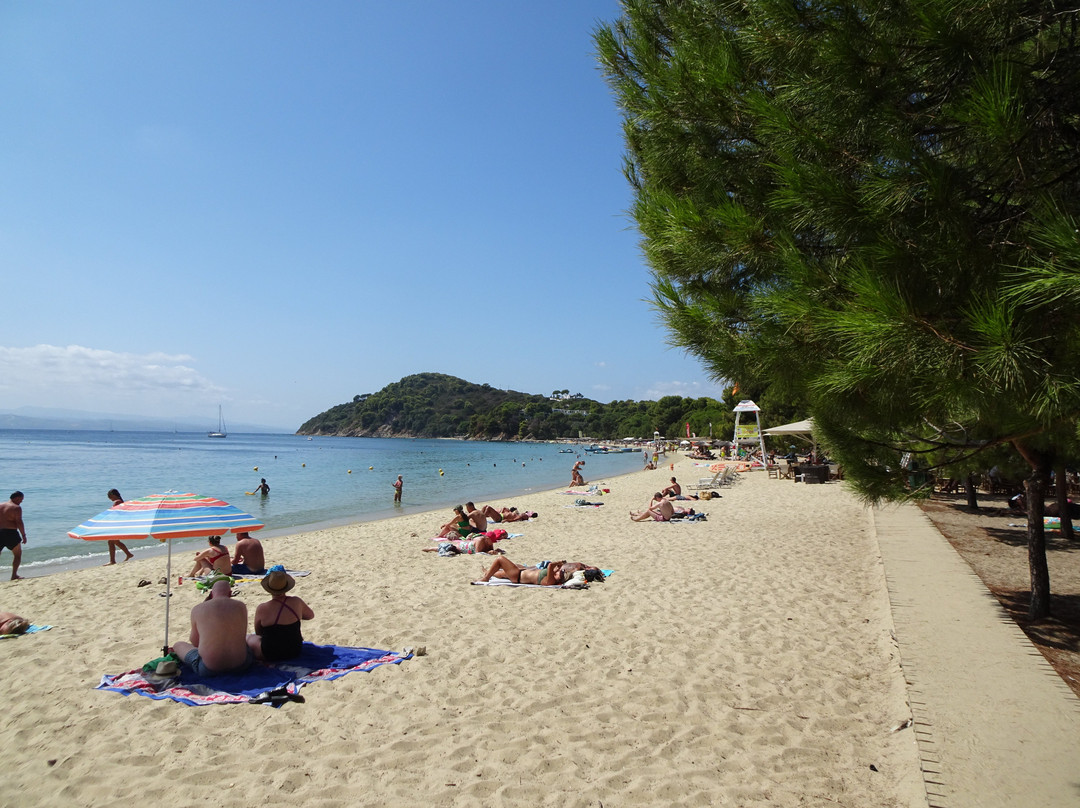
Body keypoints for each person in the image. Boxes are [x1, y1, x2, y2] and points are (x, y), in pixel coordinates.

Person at [172, 580, 254, 676]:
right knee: (248, 638)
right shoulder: (241, 606)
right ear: (230, 593)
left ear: (211, 593)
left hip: (209, 669)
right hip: (241, 665)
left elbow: (195, 641)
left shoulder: (198, 609)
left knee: (178, 645)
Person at [247, 566, 314, 661]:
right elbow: (310, 615)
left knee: (249, 638)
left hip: (270, 653)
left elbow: (259, 633)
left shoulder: (262, 608)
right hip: (295, 650)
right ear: (286, 586)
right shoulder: (296, 602)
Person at [479, 556, 568, 586]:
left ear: (560, 578)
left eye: (562, 572)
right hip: (520, 573)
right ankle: (488, 573)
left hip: (518, 576)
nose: (561, 571)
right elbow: (554, 568)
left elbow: (550, 565)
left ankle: (486, 578)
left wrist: (560, 562)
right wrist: (559, 567)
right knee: (503, 574)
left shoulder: (551, 581)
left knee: (500, 559)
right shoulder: (552, 577)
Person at [0, 492, 27, 581]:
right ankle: (14, 575)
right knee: (17, 555)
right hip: (11, 533)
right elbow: (19, 522)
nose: (21, 502)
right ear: (16, 498)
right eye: (20, 500)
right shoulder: (16, 508)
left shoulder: (0, 505)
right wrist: (23, 535)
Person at [104, 489, 135, 564]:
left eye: (110, 497)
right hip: (119, 524)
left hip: (116, 524)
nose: (110, 499)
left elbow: (114, 513)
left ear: (113, 495)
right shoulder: (121, 501)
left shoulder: (117, 502)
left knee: (111, 541)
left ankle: (113, 560)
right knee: (114, 541)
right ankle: (128, 554)